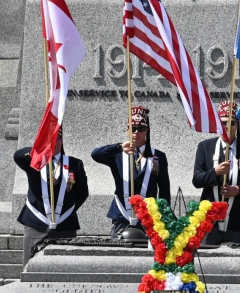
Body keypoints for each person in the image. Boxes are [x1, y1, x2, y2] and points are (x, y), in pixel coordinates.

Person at [91, 105, 171, 237]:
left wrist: (165, 218)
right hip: (122, 216)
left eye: (141, 129)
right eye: (133, 128)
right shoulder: (117, 153)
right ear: (127, 129)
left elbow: (164, 190)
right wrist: (118, 147)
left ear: (147, 131)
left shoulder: (158, 156)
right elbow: (95, 155)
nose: (136, 133)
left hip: (148, 218)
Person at [15, 128, 90, 264]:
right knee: (29, 268)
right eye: (48, 139)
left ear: (61, 141)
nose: (52, 143)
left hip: (65, 225)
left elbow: (82, 193)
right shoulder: (34, 161)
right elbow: (17, 156)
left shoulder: (74, 164)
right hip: (36, 225)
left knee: (64, 269)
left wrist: (65, 209)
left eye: (56, 139)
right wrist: (37, 149)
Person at [193, 101, 240, 245]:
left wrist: (239, 190)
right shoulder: (205, 147)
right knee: (208, 263)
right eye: (223, 123)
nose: (227, 127)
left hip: (237, 218)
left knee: (236, 263)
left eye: (231, 123)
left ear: (237, 125)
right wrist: (215, 172)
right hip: (209, 218)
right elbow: (197, 180)